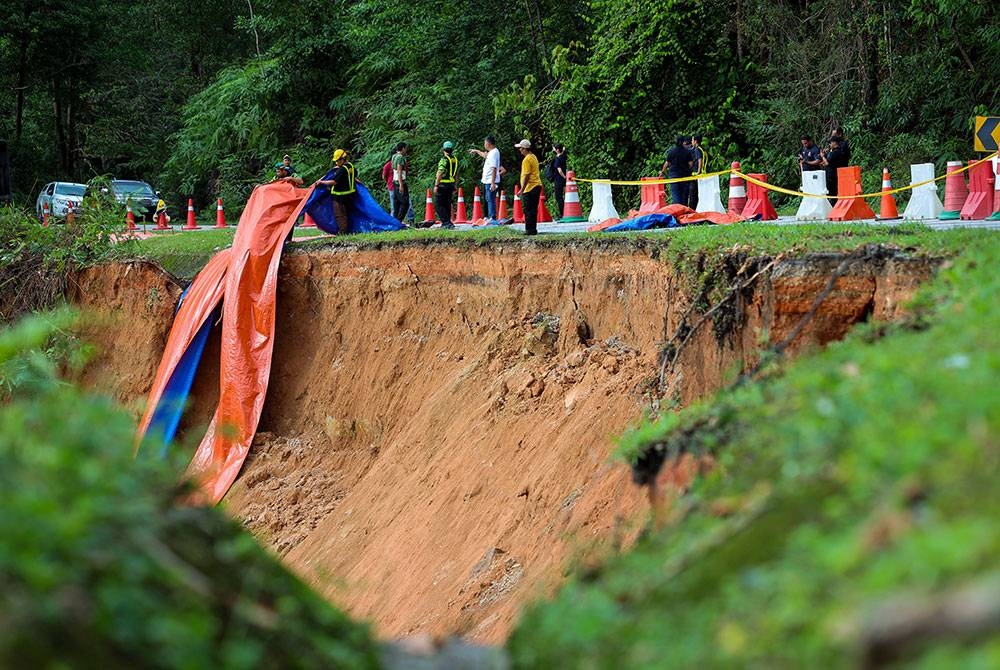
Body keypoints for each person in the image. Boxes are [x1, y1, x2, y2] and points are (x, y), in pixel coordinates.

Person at [316, 149, 356, 234]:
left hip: (339, 196)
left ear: (342, 159)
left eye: (337, 161)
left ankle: (342, 232)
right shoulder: (351, 166)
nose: (336, 163)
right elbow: (353, 177)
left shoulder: (341, 170)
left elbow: (334, 182)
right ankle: (345, 231)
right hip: (349, 195)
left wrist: (321, 182)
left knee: (340, 215)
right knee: (345, 214)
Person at [469, 135, 500, 222]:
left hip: (491, 181)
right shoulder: (491, 152)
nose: (484, 145)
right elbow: (484, 155)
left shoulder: (494, 153)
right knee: (488, 199)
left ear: (489, 144)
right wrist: (476, 151)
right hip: (487, 180)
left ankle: (492, 218)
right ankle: (489, 217)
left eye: (485, 143)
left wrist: (493, 183)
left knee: (490, 199)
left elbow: (494, 168)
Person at [658, 136, 693, 207]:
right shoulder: (687, 152)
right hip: (685, 177)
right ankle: (684, 213)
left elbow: (667, 163)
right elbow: (690, 164)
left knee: (676, 195)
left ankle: (677, 212)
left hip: (674, 176)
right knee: (684, 196)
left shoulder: (671, 151)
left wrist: (662, 172)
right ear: (683, 142)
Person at [515, 139, 541, 235]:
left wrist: (522, 189)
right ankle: (533, 229)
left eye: (521, 148)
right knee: (533, 209)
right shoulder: (533, 157)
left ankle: (529, 230)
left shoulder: (526, 160)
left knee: (528, 210)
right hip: (537, 186)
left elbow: (526, 175)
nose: (520, 150)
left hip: (530, 187)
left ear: (525, 149)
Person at [432, 141, 458, 229]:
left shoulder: (444, 159)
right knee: (447, 203)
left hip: (443, 184)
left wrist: (436, 185)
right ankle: (449, 222)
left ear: (443, 149)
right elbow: (456, 174)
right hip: (451, 184)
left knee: (439, 204)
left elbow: (440, 172)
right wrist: (455, 185)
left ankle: (445, 222)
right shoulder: (455, 159)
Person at [821, 136, 850, 205]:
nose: (830, 144)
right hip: (834, 174)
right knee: (833, 192)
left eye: (830, 143)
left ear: (834, 143)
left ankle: (833, 206)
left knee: (831, 192)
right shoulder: (836, 152)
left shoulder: (836, 152)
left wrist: (822, 156)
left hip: (832, 175)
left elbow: (827, 162)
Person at [391, 142, 411, 223]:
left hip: (394, 181)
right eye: (405, 148)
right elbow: (399, 171)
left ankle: (395, 220)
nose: (406, 150)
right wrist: (401, 185)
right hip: (400, 181)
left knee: (397, 203)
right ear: (402, 148)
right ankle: (399, 221)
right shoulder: (400, 158)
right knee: (405, 203)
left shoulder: (394, 156)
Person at [687, 135, 707, 210]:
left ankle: (692, 209)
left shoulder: (697, 150)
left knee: (693, 193)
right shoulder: (703, 149)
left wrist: (698, 171)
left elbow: (700, 160)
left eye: (692, 140)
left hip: (696, 175)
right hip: (703, 173)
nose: (691, 142)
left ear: (695, 141)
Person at [551, 144, 568, 219]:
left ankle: (562, 213)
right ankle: (566, 212)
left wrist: (564, 177)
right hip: (563, 181)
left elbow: (559, 170)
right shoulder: (564, 157)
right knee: (564, 196)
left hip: (558, 180)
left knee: (559, 197)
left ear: (557, 150)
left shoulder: (557, 159)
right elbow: (562, 152)